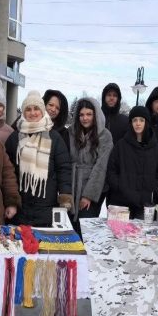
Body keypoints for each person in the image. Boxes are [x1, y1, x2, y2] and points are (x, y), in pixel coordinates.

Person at [5, 90, 73, 226]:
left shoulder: (55, 137)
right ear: (23, 112)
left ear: (42, 111)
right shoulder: (14, 137)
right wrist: (11, 200)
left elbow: (64, 169)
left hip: (46, 205)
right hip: (20, 205)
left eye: (36, 108)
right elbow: (7, 171)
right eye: (28, 109)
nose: (32, 112)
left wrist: (65, 196)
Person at [107, 106, 158, 219]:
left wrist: (153, 192)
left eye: (141, 120)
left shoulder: (155, 147)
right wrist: (121, 188)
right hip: (122, 203)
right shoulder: (121, 145)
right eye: (134, 120)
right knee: (119, 231)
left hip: (145, 206)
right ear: (131, 123)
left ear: (146, 122)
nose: (138, 123)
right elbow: (111, 171)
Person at [68, 97, 113, 229]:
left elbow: (101, 167)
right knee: (69, 227)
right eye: (81, 115)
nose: (85, 118)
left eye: (89, 114)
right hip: (72, 185)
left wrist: (88, 195)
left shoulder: (104, 135)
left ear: (96, 115)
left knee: (86, 226)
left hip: (93, 187)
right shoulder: (71, 132)